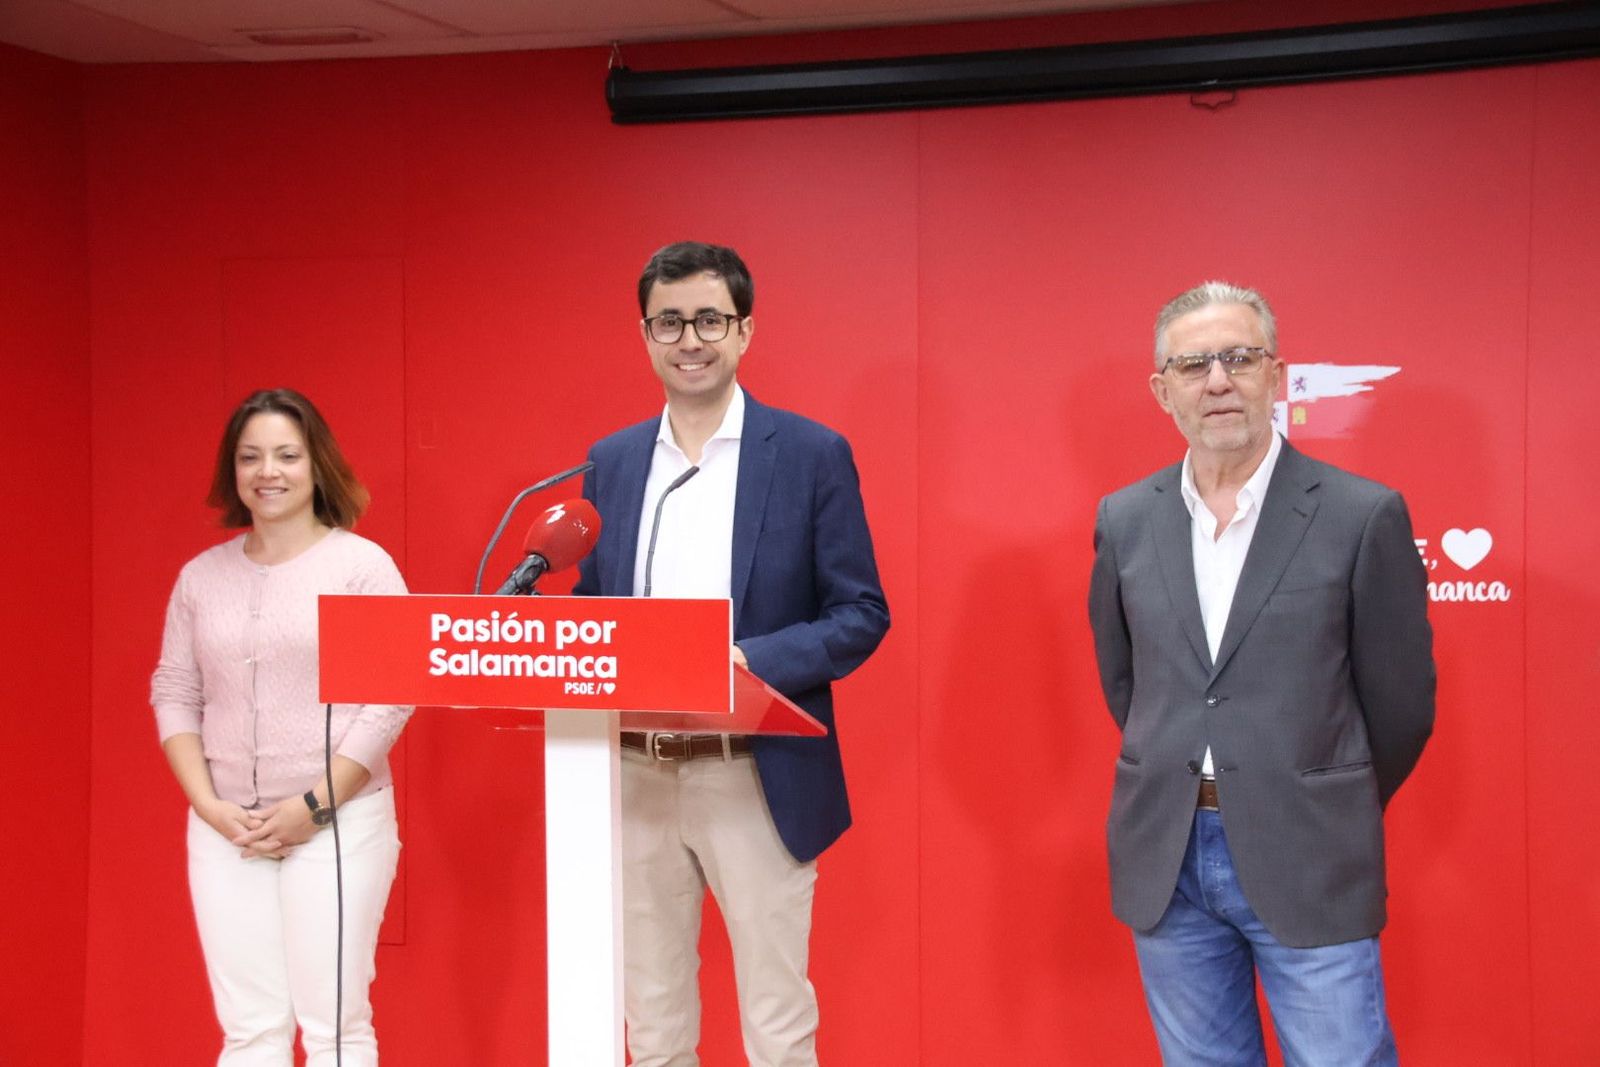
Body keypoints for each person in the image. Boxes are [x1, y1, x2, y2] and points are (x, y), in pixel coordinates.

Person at [1087, 282, 1435, 1065]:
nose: (1218, 380)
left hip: (1310, 852)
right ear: (1162, 389)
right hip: (1167, 856)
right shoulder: (1125, 517)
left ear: (1276, 374)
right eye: (1194, 364)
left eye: (1239, 358)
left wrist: (1320, 789)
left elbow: (1402, 704)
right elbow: (1127, 681)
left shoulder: (1360, 513)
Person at [573, 241, 890, 1066]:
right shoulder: (610, 462)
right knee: (656, 1025)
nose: (689, 338)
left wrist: (752, 659)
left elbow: (861, 612)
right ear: (645, 335)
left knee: (778, 1025)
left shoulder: (812, 454)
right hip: (635, 768)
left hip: (753, 766)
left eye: (709, 319)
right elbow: (592, 608)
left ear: (745, 330)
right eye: (668, 321)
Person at [151, 388, 411, 1066]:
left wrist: (315, 803)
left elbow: (389, 700)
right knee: (250, 1030)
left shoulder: (361, 568)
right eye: (251, 457)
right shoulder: (201, 578)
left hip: (338, 824)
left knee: (333, 1029)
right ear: (232, 472)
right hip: (227, 828)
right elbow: (175, 691)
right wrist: (207, 804)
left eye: (287, 455)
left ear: (316, 464)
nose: (269, 471)